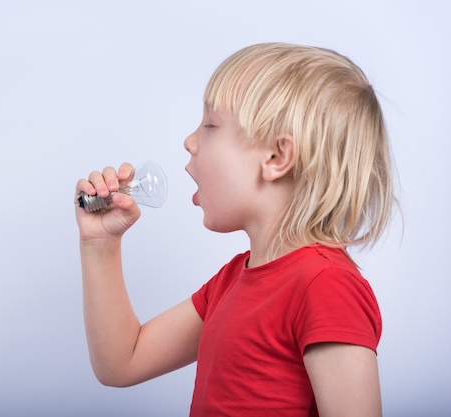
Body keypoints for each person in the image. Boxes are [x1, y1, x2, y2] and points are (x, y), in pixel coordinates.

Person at [74, 42, 396, 417]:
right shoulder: (231, 282)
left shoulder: (326, 286)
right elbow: (122, 362)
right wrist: (100, 242)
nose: (190, 141)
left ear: (276, 158)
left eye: (211, 125)